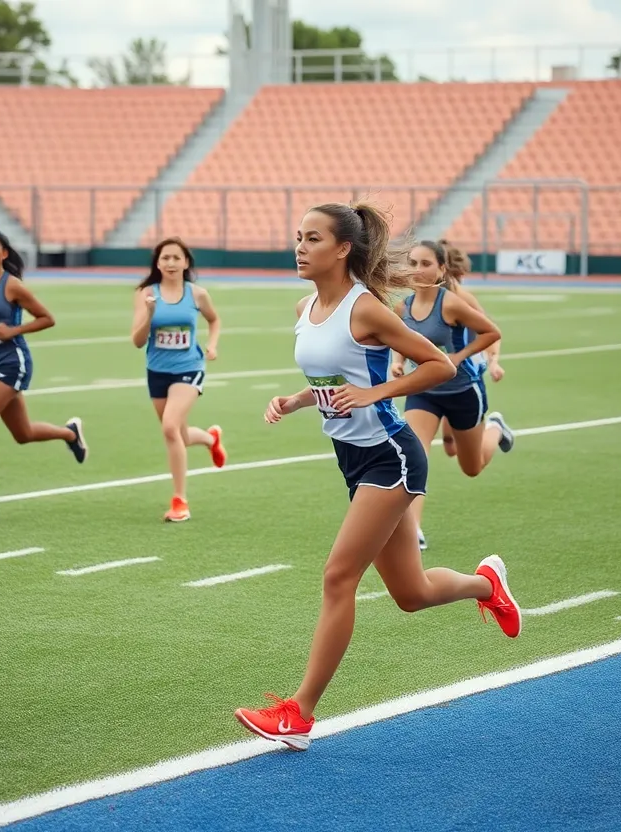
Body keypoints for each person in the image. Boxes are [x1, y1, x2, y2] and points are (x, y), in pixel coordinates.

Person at [233, 202, 523, 752]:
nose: (299, 246)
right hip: (352, 458)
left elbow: (437, 364)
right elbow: (333, 377)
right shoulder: (305, 306)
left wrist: (376, 393)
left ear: (342, 248)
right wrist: (298, 399)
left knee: (338, 576)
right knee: (410, 594)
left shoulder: (365, 309)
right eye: (298, 236)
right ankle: (488, 585)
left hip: (392, 455)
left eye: (312, 238)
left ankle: (299, 713)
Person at [0, 229, 87, 524]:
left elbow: (47, 318)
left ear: (4, 253)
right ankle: (70, 433)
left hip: (13, 362)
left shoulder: (12, 286)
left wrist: (13, 331)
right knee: (22, 434)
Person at [391, 241, 513, 552]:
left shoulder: (452, 304)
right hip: (423, 392)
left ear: (441, 269)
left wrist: (460, 357)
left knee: (470, 467)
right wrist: (399, 362)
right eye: (413, 263)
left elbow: (491, 332)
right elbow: (398, 340)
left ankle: (496, 428)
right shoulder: (402, 308)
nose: (418, 270)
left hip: (462, 392)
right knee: (414, 455)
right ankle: (413, 529)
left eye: (426, 264)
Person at [130, 237, 225, 523]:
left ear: (186, 262)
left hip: (189, 367)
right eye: (164, 258)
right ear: (157, 263)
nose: (170, 263)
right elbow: (137, 341)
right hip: (157, 370)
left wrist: (212, 345)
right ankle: (210, 438)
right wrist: (148, 314)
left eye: (176, 257)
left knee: (170, 427)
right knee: (179, 435)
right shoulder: (146, 294)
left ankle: (179, 500)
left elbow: (214, 319)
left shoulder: (197, 294)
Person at [438, 241, 505, 462]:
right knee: (449, 447)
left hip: (466, 373)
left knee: (469, 459)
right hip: (440, 374)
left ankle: (495, 427)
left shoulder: (462, 298)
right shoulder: (423, 297)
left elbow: (490, 330)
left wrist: (494, 361)